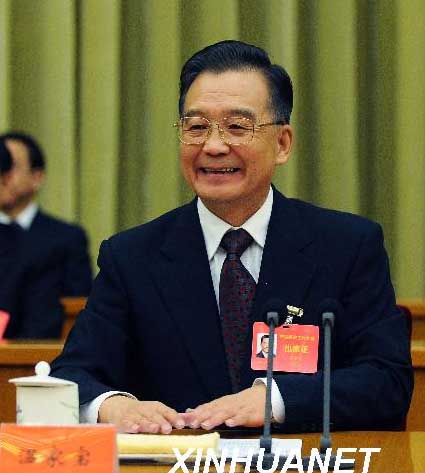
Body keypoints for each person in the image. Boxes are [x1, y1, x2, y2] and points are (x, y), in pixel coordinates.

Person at [51, 40, 413, 434]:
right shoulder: (132, 256)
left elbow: (386, 381)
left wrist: (275, 400)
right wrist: (111, 406)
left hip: (301, 466)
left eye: (237, 127)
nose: (213, 146)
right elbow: (72, 375)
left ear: (282, 144)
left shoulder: (346, 246)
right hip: (179, 465)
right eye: (196, 127)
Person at [0, 132, 92, 338]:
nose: (3, 175)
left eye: (10, 166)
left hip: (47, 351)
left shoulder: (67, 238)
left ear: (37, 177)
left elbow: (80, 308)